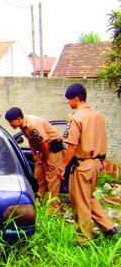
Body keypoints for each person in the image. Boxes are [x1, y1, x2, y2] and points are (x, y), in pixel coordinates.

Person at [57, 83, 119, 244]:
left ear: (76, 99)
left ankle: (83, 238)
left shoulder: (75, 117)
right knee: (89, 198)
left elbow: (72, 146)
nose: (68, 103)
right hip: (96, 163)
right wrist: (102, 161)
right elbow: (103, 140)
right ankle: (109, 227)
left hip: (82, 165)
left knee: (80, 201)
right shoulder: (99, 116)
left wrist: (63, 166)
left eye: (69, 100)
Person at [5, 107, 64, 213]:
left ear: (18, 119)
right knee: (38, 177)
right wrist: (34, 155)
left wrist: (46, 160)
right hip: (42, 151)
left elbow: (44, 143)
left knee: (52, 180)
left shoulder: (33, 124)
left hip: (52, 150)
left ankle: (53, 211)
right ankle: (39, 206)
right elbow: (31, 140)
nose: (10, 124)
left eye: (11, 121)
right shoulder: (23, 126)